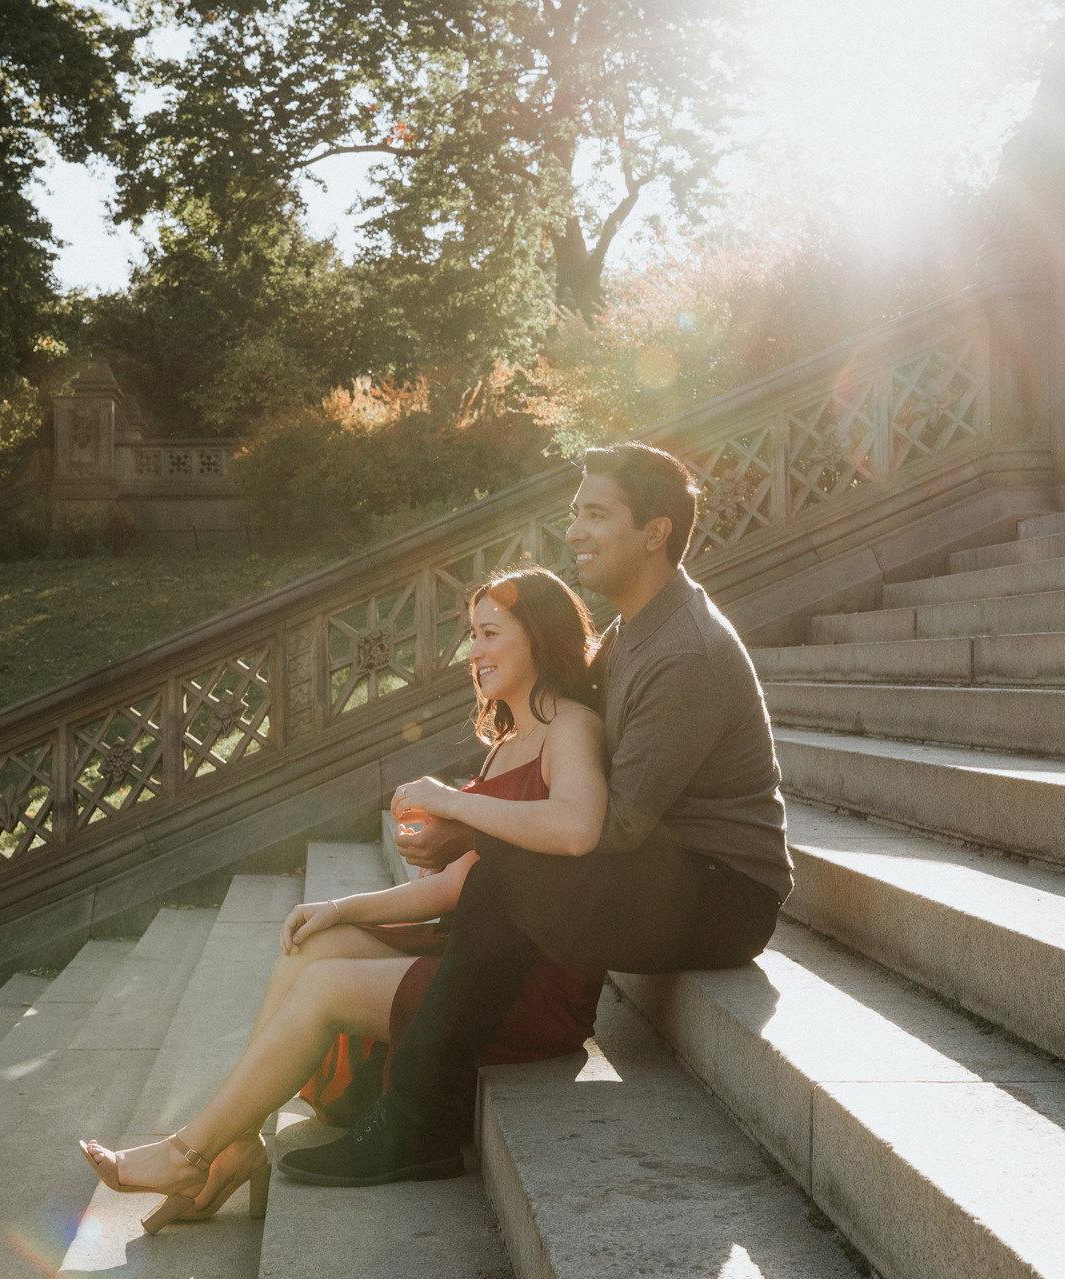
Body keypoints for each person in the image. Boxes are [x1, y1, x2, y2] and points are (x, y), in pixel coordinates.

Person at [277, 441, 790, 1188]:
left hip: (724, 893)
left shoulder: (685, 648)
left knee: (506, 879)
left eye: (595, 513)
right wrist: (474, 820)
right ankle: (397, 1091)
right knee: (499, 875)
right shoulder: (632, 629)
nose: (574, 530)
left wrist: (471, 814)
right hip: (671, 869)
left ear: (655, 531)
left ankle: (416, 1118)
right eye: (574, 513)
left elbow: (610, 828)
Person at [79, 566, 609, 1231]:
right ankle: (237, 1142)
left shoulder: (572, 727)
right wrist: (340, 908)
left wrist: (448, 799)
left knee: (323, 987)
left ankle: (190, 1150)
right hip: (481, 949)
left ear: (540, 634)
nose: (473, 650)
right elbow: (457, 885)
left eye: (490, 632)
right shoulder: (505, 743)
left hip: (528, 982)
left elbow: (578, 826)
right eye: (469, 634)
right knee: (315, 946)